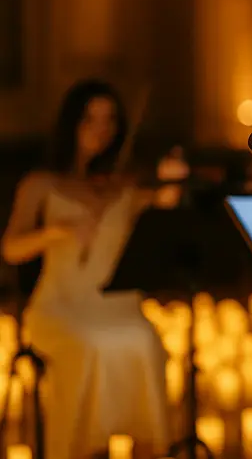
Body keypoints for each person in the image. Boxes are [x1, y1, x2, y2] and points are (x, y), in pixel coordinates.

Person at [1, 79, 187, 459]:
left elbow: (164, 201)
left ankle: (143, 447)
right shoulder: (42, 183)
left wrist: (172, 182)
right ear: (72, 123)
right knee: (89, 346)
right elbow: (11, 249)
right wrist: (57, 231)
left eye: (110, 120)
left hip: (118, 304)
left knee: (145, 340)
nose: (101, 129)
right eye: (90, 119)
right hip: (60, 305)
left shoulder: (126, 183)